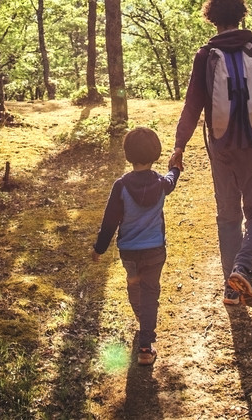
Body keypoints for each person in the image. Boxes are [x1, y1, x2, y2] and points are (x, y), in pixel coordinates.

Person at [169, 0, 252, 308]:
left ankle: (232, 290)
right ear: (241, 14)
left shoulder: (206, 54)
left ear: (212, 18)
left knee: (228, 216)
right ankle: (243, 269)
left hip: (220, 148)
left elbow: (193, 106)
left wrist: (179, 146)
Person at [92, 126, 182, 365]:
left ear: (127, 154)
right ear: (155, 154)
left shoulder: (120, 186)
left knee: (134, 285)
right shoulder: (162, 183)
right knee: (151, 291)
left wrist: (99, 248)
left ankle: (144, 323)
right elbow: (172, 178)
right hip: (155, 250)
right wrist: (175, 166)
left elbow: (110, 221)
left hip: (129, 251)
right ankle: (145, 344)